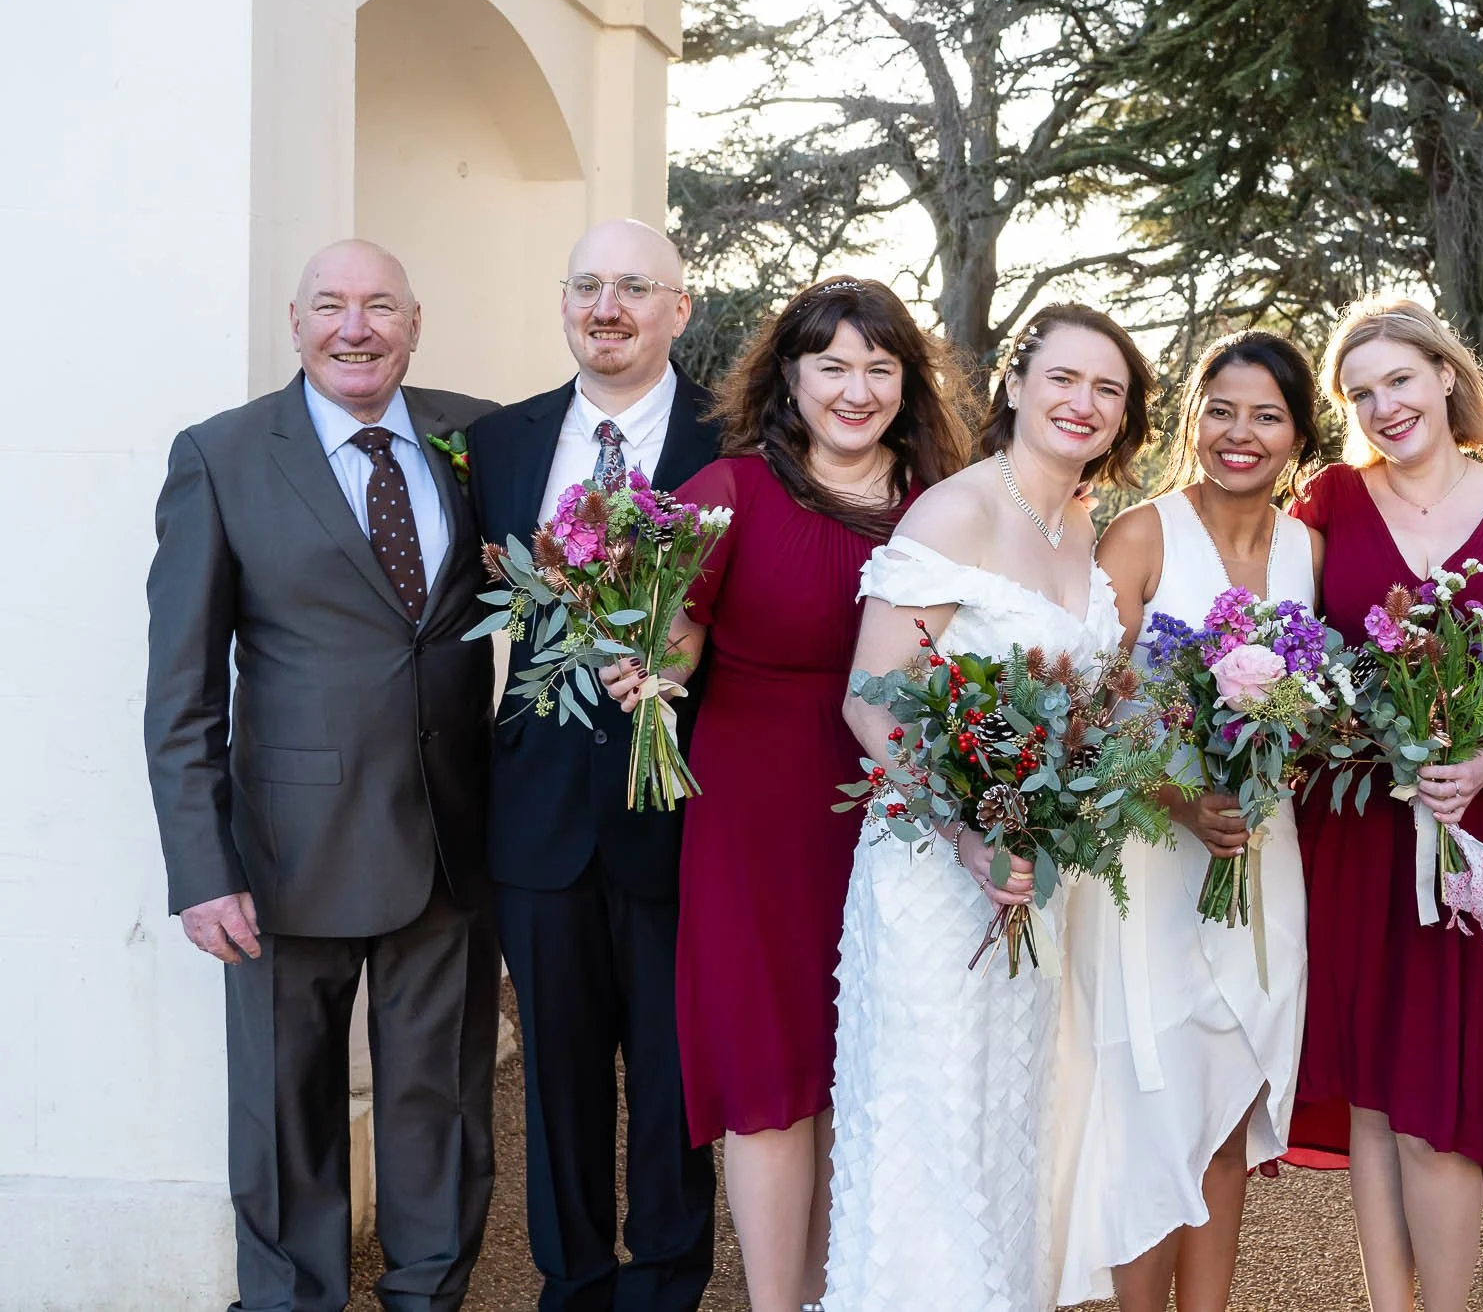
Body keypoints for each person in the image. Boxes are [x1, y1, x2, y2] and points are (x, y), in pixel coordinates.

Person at [144, 239, 500, 1311]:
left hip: (452, 839)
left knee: (442, 1110)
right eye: (332, 306)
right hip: (283, 856)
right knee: (286, 1113)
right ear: (295, 323)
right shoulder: (222, 456)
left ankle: (428, 1298)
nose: (356, 328)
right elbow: (182, 687)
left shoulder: (481, 437)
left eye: (381, 306)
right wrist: (202, 868)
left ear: (415, 323)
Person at [602, 275, 969, 1311]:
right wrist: (643, 664)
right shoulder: (729, 491)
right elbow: (677, 642)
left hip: (899, 807)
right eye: (832, 366)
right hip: (755, 812)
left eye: (880, 368)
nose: (856, 390)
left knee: (868, 1065)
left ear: (909, 382)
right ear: (790, 377)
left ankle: (842, 1294)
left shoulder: (944, 505)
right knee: (770, 1074)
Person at [825, 303, 1153, 1312]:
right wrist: (966, 833)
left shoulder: (1087, 526)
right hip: (933, 875)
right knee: (928, 1130)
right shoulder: (956, 512)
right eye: (1063, 379)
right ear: (1015, 385)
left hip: (1031, 879)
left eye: (1107, 389)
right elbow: (871, 700)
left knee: (1005, 1126)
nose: (1083, 403)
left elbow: (1090, 707)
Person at [1288, 299, 1483, 1312]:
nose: (1384, 406)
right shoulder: (1329, 502)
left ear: (1447, 377)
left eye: (1400, 380)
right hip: (1363, 827)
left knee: (1443, 1106)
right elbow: (1294, 657)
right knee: (1376, 1095)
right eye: (1361, 393)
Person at [466, 219, 722, 1311]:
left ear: (680, 308)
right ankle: (569, 1287)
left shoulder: (738, 442)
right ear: (565, 302)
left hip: (683, 808)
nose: (606, 308)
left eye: (633, 287)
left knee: (672, 1083)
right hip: (538, 816)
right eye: (586, 287)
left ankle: (665, 1288)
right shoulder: (500, 443)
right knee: (557, 1086)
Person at [1058, 331, 1325, 1312]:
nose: (1239, 434)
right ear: (1193, 419)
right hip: (1149, 862)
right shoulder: (1142, 537)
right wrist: (1180, 797)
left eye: (1266, 416)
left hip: (1262, 857)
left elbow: (1321, 704)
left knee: (1224, 1111)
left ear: (1299, 436)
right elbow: (1084, 714)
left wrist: (1289, 750)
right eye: (1220, 410)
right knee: (1152, 1115)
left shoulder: (1309, 550)